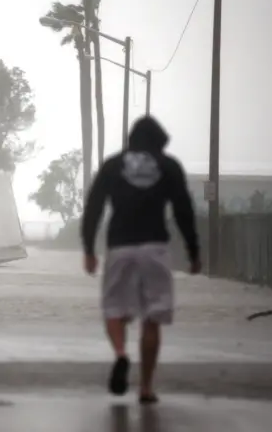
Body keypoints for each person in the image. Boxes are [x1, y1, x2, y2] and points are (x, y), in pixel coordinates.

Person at [81, 116, 201, 404]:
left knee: (113, 309)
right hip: (155, 247)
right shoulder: (168, 166)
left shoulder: (113, 165)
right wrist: (194, 251)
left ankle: (121, 355)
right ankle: (146, 388)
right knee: (152, 318)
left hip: (120, 246)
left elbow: (94, 207)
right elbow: (184, 209)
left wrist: (88, 249)